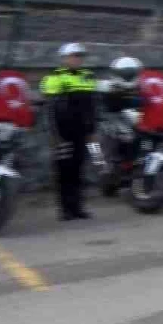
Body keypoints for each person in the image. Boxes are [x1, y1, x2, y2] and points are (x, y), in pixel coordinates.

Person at [39, 43, 99, 220]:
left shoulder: (88, 77)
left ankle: (78, 207)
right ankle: (65, 209)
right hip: (62, 132)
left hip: (82, 131)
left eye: (80, 56)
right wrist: (54, 134)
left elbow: (92, 106)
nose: (77, 59)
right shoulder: (54, 78)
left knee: (79, 170)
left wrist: (92, 130)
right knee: (63, 171)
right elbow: (50, 109)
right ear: (64, 58)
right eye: (73, 56)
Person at [96, 56, 144, 197]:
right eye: (125, 73)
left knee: (139, 137)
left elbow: (144, 101)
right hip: (108, 120)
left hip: (130, 118)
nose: (128, 75)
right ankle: (107, 170)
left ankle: (132, 170)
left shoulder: (140, 86)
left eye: (130, 72)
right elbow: (99, 102)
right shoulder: (106, 86)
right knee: (108, 142)